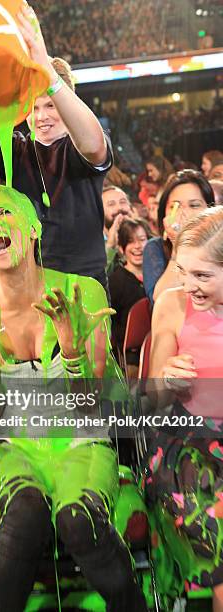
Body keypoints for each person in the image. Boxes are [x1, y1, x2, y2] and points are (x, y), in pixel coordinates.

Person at [0, 184, 147, 612]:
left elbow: (90, 408)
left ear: (34, 228)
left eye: (3, 212)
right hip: (9, 445)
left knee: (77, 520)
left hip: (79, 438)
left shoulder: (82, 291)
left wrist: (72, 352)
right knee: (24, 511)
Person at [0, 4, 112, 289]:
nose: (41, 117)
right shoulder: (15, 149)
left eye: (51, 105)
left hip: (83, 287)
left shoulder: (79, 146)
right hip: (27, 289)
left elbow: (93, 145)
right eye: (34, 107)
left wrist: (47, 73)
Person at [143, 206, 223, 611]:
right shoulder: (172, 305)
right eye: (182, 270)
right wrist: (166, 380)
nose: (189, 285)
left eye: (203, 275)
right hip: (185, 442)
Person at [143, 170, 214, 304]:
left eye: (194, 205)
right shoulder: (155, 248)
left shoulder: (218, 246)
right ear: (164, 211)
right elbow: (161, 303)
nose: (184, 213)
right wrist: (178, 247)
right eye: (175, 206)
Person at [109, 218, 151, 375]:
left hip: (156, 343)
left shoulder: (157, 274)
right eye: (131, 241)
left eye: (142, 240)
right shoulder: (116, 280)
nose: (138, 246)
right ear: (121, 247)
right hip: (129, 355)